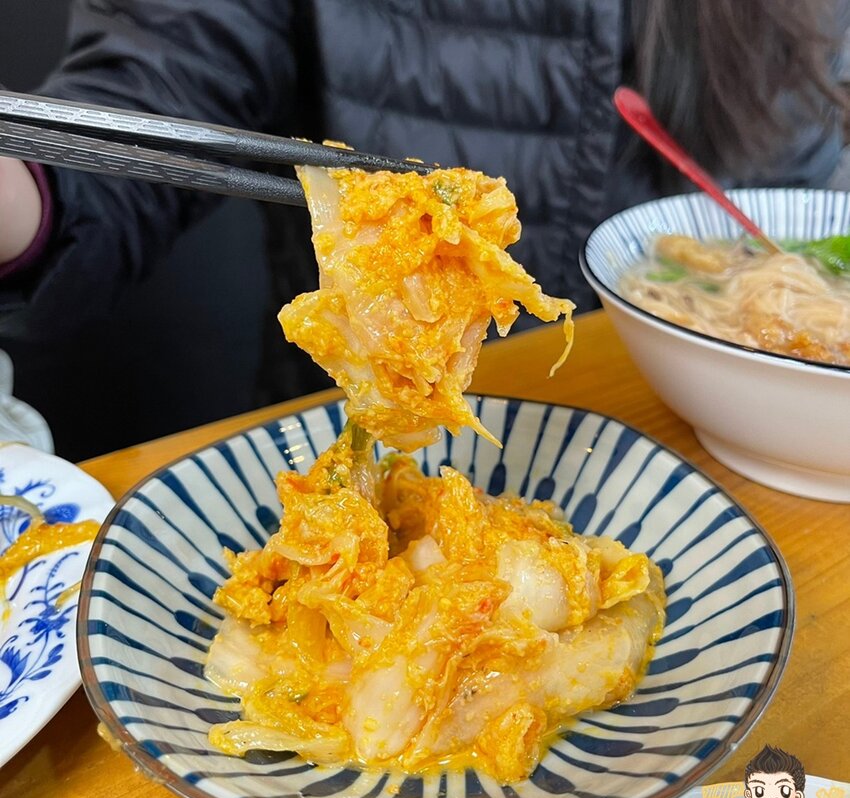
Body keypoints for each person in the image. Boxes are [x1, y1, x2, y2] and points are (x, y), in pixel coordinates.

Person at [0, 0, 848, 458]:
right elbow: (146, 103)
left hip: (695, 446)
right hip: (352, 435)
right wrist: (21, 192)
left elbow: (804, 184)